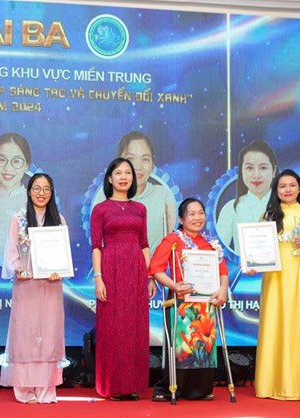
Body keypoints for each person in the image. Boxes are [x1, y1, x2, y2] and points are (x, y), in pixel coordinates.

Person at [149, 197, 229, 402]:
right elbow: (156, 268)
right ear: (181, 219)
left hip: (206, 303)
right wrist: (174, 286)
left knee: (204, 346)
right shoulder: (172, 241)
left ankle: (198, 389)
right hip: (181, 302)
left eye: (200, 213)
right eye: (191, 214)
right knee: (182, 348)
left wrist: (223, 289)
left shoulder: (210, 243)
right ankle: (169, 388)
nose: (197, 218)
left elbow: (223, 271)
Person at [255, 169, 300, 400]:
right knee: (273, 322)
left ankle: (298, 386)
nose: (287, 190)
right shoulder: (267, 216)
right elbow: (257, 248)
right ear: (276, 190)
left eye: (292, 185)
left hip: (298, 275)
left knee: (298, 323)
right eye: (282, 186)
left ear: (299, 188)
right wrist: (253, 262)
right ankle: (269, 385)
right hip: (273, 277)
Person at [91, 157, 156, 400]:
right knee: (113, 327)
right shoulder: (101, 209)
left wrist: (150, 276)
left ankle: (132, 385)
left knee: (134, 327)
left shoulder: (140, 209)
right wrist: (99, 278)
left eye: (128, 173)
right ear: (110, 178)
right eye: (118, 173)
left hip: (136, 271)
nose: (123, 177)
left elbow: (144, 244)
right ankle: (113, 385)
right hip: (111, 269)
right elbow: (96, 246)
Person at [0, 173, 67, 404]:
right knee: (25, 335)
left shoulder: (59, 220)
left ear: (52, 192)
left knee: (49, 334)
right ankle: (24, 389)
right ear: (29, 191)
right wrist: (18, 268)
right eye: (37, 188)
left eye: (46, 188)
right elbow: (11, 251)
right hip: (26, 285)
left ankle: (46, 390)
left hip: (50, 286)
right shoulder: (18, 219)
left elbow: (62, 254)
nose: (41, 193)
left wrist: (59, 269)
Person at [117, 131, 175, 253]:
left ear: (153, 163)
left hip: (153, 264)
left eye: (145, 159)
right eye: (130, 159)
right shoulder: (104, 195)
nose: (138, 166)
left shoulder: (162, 194)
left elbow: (171, 238)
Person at [216, 139, 278, 251]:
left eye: (263, 168)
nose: (256, 175)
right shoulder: (231, 208)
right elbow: (219, 251)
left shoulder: (285, 207)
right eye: (249, 168)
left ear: (274, 171)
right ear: (241, 171)